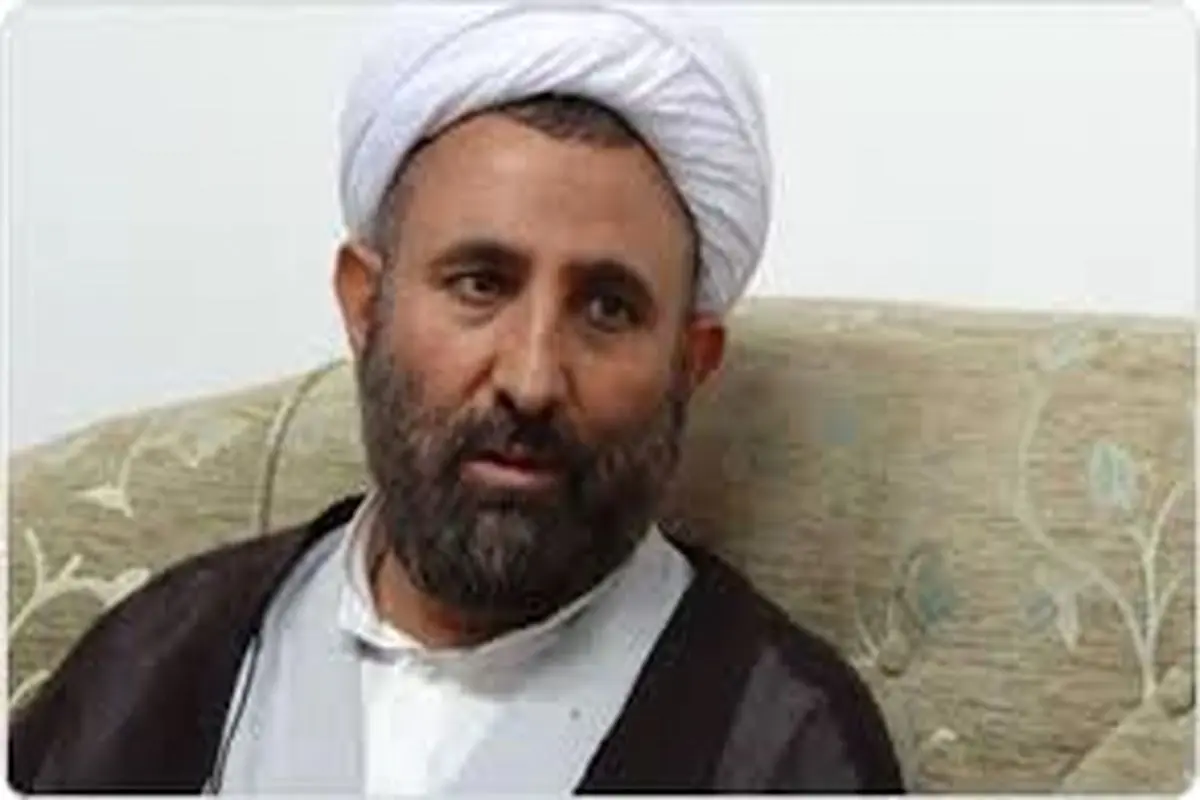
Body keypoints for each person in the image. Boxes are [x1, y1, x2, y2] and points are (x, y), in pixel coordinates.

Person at [9, 2, 904, 794]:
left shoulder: (785, 742)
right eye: (481, 284)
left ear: (690, 364)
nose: (531, 379)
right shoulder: (160, 660)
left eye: (607, 308)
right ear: (365, 304)